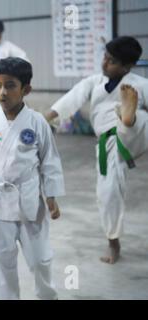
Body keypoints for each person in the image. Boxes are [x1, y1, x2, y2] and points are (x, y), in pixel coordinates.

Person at [0, 57, 65, 300]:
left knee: (41, 259)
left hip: (30, 199)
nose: (2, 92)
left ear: (26, 89)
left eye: (10, 85)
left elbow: (50, 160)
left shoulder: (37, 122)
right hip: (0, 203)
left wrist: (51, 195)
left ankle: (47, 295)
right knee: (3, 260)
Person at [45, 36, 148, 264]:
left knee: (141, 118)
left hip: (133, 134)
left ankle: (128, 116)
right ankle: (114, 242)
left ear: (127, 66)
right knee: (108, 193)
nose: (104, 64)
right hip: (109, 144)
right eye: (105, 58)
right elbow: (72, 98)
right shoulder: (94, 82)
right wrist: (47, 117)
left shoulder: (140, 84)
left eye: (111, 61)